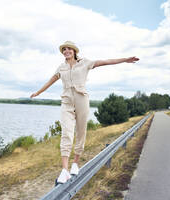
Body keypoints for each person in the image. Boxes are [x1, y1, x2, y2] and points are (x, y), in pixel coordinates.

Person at [30, 41, 139, 184]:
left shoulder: (85, 63)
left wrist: (124, 60)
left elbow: (105, 62)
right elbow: (50, 81)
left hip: (82, 99)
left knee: (81, 132)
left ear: (74, 51)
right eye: (64, 49)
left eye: (69, 49)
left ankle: (75, 162)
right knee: (66, 133)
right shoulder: (61, 67)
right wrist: (38, 92)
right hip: (67, 101)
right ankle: (64, 170)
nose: (66, 51)